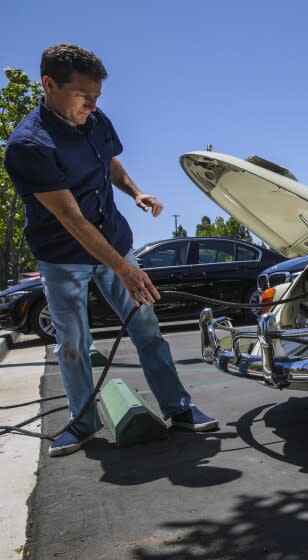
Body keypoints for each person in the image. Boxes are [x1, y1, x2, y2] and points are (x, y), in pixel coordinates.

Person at [3, 44, 217, 457]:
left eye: (98, 96)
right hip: (64, 255)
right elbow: (72, 220)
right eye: (85, 95)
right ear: (49, 85)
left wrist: (135, 191)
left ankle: (180, 409)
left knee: (147, 328)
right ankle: (82, 424)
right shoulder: (29, 145)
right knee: (73, 341)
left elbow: (109, 161)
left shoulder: (95, 120)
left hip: (114, 241)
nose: (94, 104)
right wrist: (126, 270)